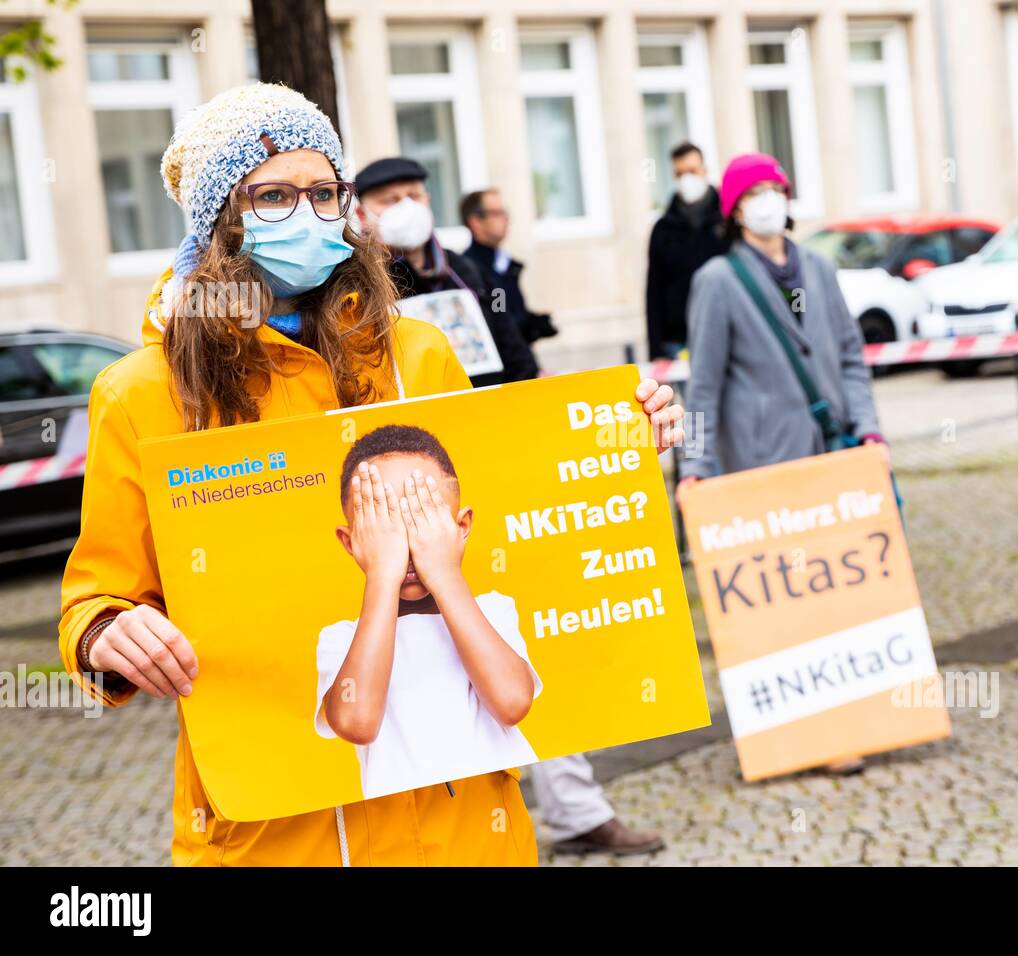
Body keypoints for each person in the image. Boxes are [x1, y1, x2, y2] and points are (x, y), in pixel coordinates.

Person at [57, 82, 685, 866]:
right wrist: (109, 635)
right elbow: (97, 595)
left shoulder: (419, 353)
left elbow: (504, 524)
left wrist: (613, 452)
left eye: (324, 193)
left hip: (460, 823)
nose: (308, 214)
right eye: (273, 196)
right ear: (220, 222)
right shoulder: (142, 394)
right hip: (280, 830)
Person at [676, 152, 887, 775]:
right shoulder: (718, 279)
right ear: (736, 210)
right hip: (762, 468)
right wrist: (696, 464)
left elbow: (850, 355)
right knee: (782, 604)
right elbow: (703, 386)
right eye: (757, 192)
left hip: (834, 458)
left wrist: (869, 428)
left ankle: (847, 717)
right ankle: (799, 734)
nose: (770, 200)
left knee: (836, 593)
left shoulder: (818, 268)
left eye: (777, 188)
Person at [316, 425, 541, 798]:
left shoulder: (490, 611)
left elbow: (512, 702)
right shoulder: (342, 639)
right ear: (351, 542)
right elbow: (356, 722)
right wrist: (382, 575)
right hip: (398, 839)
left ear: (461, 527)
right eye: (384, 529)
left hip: (491, 830)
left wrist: (445, 572)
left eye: (420, 521)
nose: (405, 545)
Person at [353, 157, 537, 387]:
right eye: (390, 200)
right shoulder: (354, 283)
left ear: (428, 202)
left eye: (414, 196)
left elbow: (510, 341)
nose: (406, 207)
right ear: (362, 215)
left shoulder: (467, 270)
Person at [645, 142, 729, 360]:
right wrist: (656, 350)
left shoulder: (727, 222)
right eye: (679, 173)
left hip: (726, 333)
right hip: (678, 341)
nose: (687, 179)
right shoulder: (663, 229)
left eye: (692, 171)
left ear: (704, 170)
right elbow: (654, 292)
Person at [460, 188, 558, 350]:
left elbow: (508, 308)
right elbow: (499, 320)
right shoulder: (471, 269)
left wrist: (534, 322)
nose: (506, 218)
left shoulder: (503, 263)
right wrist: (529, 327)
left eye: (505, 212)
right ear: (476, 222)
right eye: (497, 213)